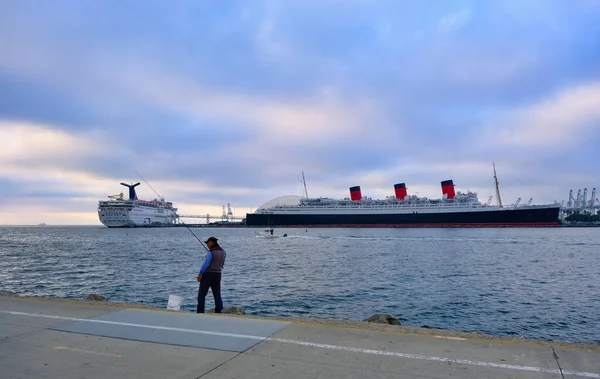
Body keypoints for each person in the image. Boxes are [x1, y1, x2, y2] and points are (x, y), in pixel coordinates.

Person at [196, 236, 226, 313]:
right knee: (217, 294)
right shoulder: (223, 252)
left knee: (202, 294)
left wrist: (200, 274)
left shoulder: (210, 252)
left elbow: (205, 265)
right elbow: (222, 264)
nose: (207, 245)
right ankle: (219, 311)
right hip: (218, 275)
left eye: (207, 243)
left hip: (208, 275)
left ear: (211, 243)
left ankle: (200, 312)